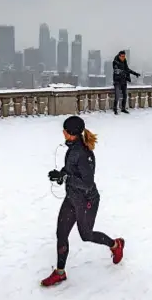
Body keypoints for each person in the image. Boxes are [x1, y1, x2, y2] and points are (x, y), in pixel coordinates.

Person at [41, 116, 124, 287]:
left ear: (70, 133)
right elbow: (70, 170)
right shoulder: (72, 148)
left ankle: (115, 245)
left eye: (64, 130)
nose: (62, 132)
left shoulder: (84, 154)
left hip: (87, 200)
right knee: (61, 234)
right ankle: (60, 272)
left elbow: (87, 184)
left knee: (86, 235)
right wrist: (60, 175)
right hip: (72, 198)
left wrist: (66, 176)